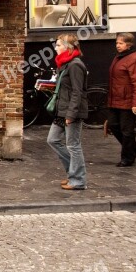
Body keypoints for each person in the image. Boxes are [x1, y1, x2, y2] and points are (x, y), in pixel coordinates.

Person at [46, 33, 89, 190]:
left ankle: (78, 180)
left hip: (72, 112)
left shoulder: (75, 65)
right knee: (53, 140)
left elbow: (78, 92)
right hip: (62, 110)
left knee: (73, 145)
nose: (55, 48)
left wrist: (71, 115)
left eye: (58, 45)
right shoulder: (64, 64)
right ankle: (73, 173)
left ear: (68, 47)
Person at [107, 32, 136, 167]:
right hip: (115, 99)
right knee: (113, 125)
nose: (117, 45)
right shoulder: (119, 57)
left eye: (120, 43)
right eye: (117, 43)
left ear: (129, 44)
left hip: (128, 101)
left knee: (127, 131)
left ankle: (127, 157)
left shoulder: (135, 58)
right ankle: (134, 147)